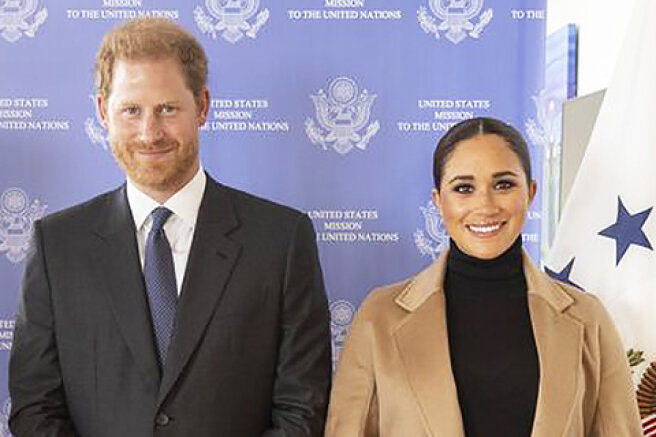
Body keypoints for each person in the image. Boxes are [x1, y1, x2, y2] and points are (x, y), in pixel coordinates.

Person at [9, 18, 331, 437]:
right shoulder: (57, 246)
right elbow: (35, 409)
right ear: (103, 111)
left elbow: (302, 408)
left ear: (202, 106)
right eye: (131, 110)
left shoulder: (282, 239)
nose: (149, 133)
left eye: (167, 108)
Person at [325, 117, 642, 436]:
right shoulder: (379, 317)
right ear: (438, 200)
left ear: (530, 193)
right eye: (463, 188)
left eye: (504, 184)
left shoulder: (588, 318)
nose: (485, 205)